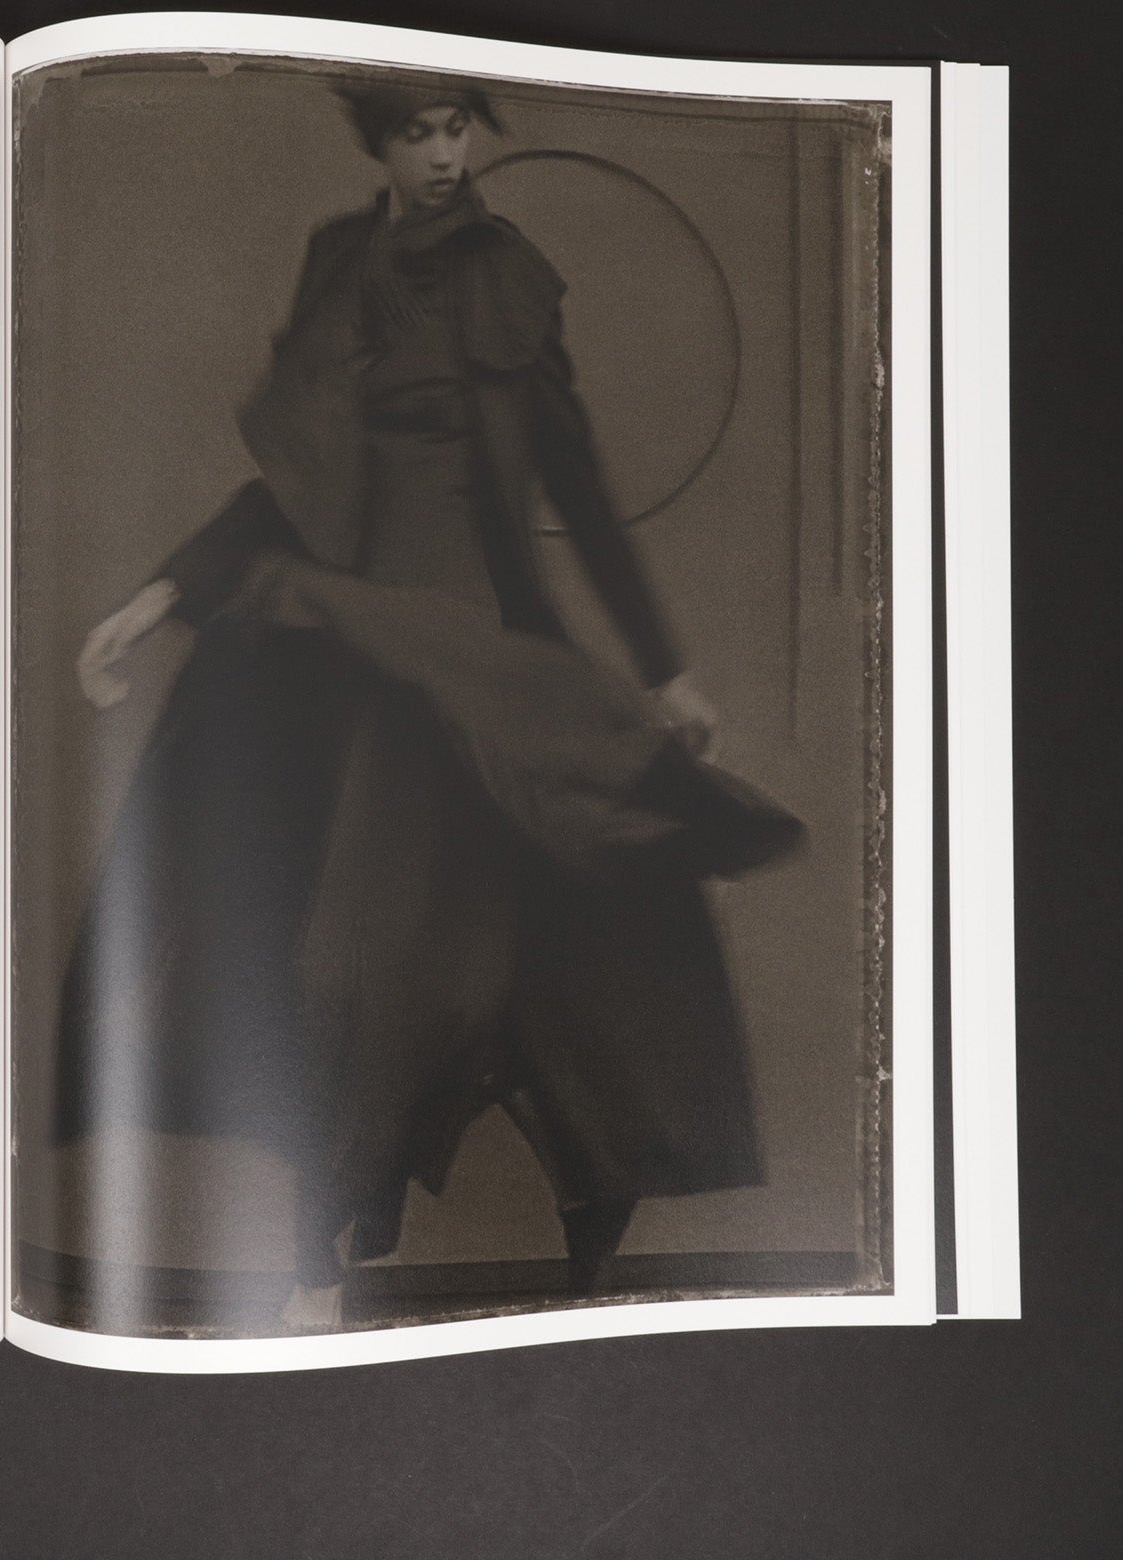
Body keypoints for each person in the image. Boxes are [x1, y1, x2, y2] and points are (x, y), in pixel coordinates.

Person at [58, 75, 801, 1333]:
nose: (445, 153)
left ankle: (582, 1269)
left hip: (491, 671)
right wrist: (159, 594)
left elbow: (573, 474)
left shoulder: (505, 280)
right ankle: (318, 1257)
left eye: (457, 127)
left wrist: (662, 667)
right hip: (353, 663)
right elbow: (291, 486)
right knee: (335, 970)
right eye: (417, 132)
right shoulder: (339, 263)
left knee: (572, 980)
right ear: (380, 144)